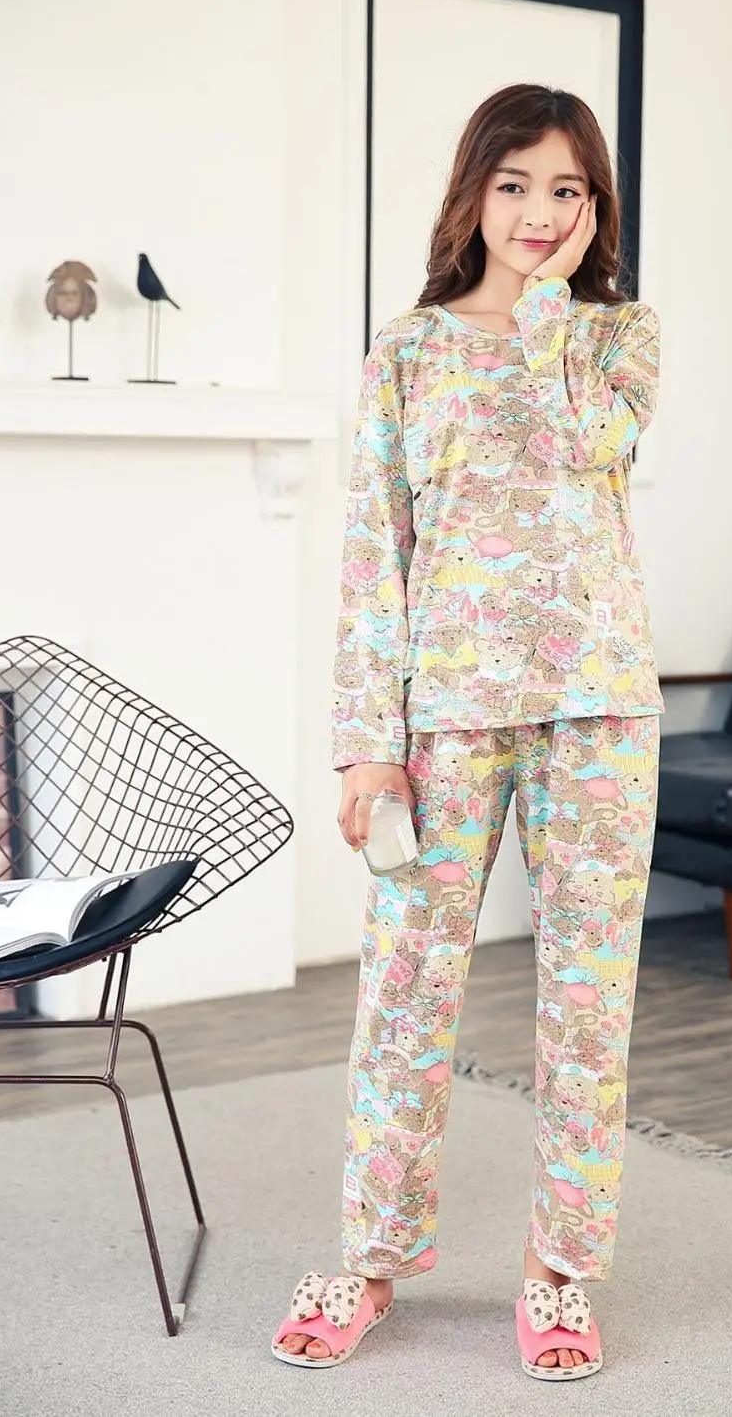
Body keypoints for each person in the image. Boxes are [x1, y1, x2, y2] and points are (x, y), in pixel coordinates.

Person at [271, 82, 662, 1381]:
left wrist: (548, 308)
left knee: (588, 1005)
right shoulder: (407, 352)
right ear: (473, 193)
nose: (539, 211)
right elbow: (371, 556)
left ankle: (559, 1274)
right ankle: (373, 1259)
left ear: (594, 205)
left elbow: (596, 443)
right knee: (404, 993)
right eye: (515, 184)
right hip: (442, 716)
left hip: (600, 706)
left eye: (566, 189)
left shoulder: (618, 339)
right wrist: (363, 740)